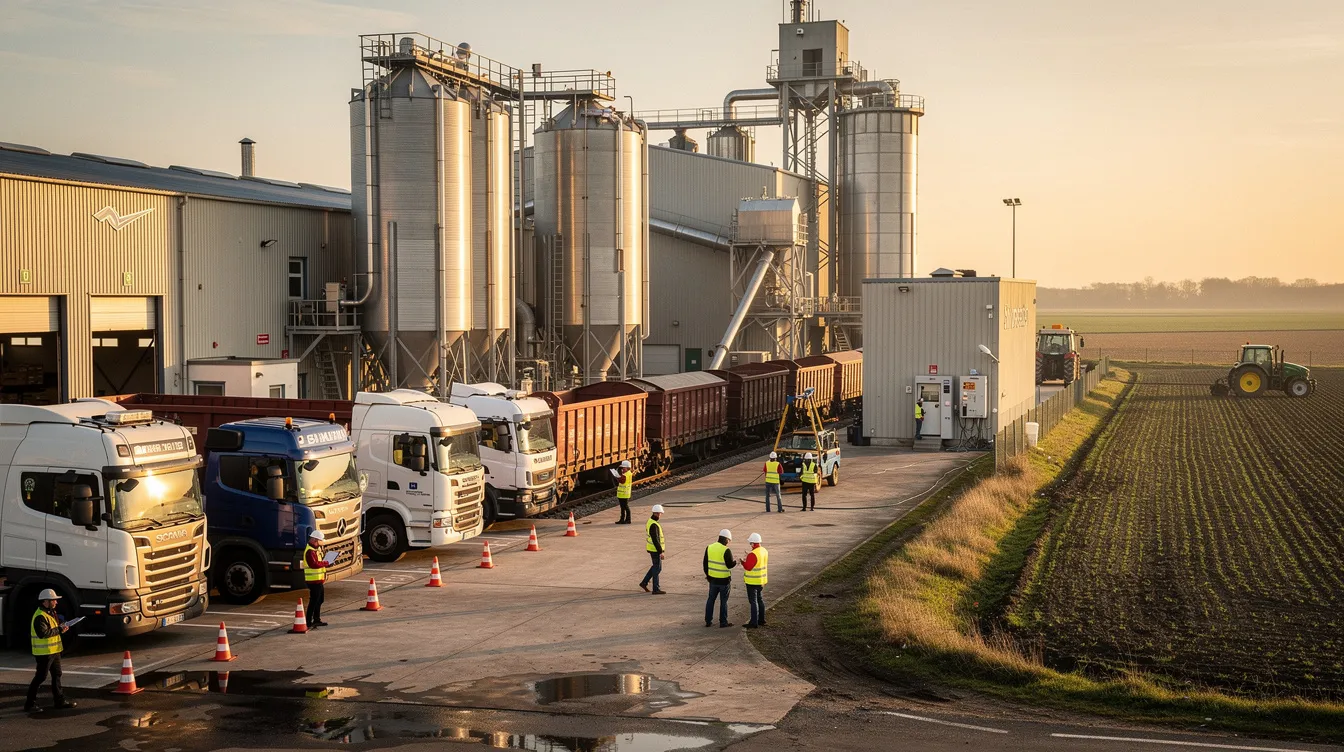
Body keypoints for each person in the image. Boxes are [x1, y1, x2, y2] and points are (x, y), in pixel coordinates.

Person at [26, 589, 76, 713]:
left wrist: (61, 628)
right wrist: (60, 629)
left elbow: (53, 629)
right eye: (54, 600)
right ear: (46, 601)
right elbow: (43, 634)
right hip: (44, 653)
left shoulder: (50, 613)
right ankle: (29, 704)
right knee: (40, 677)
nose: (56, 602)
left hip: (54, 651)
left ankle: (59, 701)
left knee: (57, 674)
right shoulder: (40, 616)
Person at [703, 528, 737, 628]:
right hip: (724, 581)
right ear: (726, 539)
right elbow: (729, 565)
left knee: (711, 600)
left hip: (712, 580)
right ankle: (723, 622)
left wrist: (708, 575)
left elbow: (705, 564)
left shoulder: (709, 547)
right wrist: (736, 562)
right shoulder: (726, 550)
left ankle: (708, 621)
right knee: (723, 601)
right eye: (729, 541)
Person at [304, 529, 330, 628]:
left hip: (318, 580)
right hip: (313, 581)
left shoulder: (315, 549)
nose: (321, 542)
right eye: (320, 540)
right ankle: (309, 621)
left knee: (320, 600)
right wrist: (326, 563)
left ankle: (316, 619)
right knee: (314, 601)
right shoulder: (310, 551)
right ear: (315, 540)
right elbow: (313, 564)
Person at [742, 533, 769, 629]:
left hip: (752, 581)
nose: (750, 545)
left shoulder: (753, 554)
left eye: (750, 543)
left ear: (753, 543)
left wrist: (742, 561)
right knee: (760, 599)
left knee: (753, 602)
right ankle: (762, 620)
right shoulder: (764, 551)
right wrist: (749, 555)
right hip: (761, 580)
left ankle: (754, 622)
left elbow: (748, 567)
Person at [640, 504, 667, 594]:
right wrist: (661, 552)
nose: (660, 515)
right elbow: (656, 539)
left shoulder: (650, 521)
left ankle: (644, 583)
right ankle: (655, 588)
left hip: (652, 548)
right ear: (657, 513)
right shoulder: (654, 525)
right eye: (660, 513)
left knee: (655, 567)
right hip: (655, 550)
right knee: (657, 568)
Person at [610, 460, 634, 524]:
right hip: (623, 494)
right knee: (623, 507)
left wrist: (616, 476)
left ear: (627, 468)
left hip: (624, 494)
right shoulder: (627, 473)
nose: (622, 469)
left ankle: (627, 519)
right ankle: (622, 519)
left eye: (623, 468)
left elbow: (622, 481)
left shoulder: (626, 475)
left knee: (625, 507)